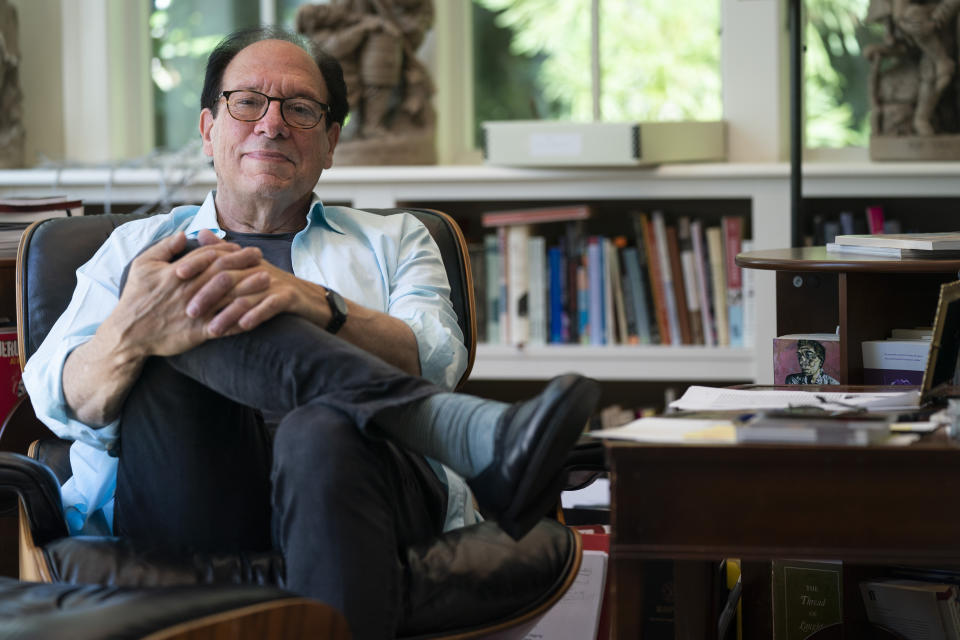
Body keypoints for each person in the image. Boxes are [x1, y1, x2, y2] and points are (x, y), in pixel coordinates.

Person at [22, 26, 600, 640]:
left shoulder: (397, 239)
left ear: (330, 142)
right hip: (186, 483)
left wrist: (316, 304)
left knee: (319, 426)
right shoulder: (135, 250)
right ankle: (466, 433)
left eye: (299, 109)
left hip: (359, 477)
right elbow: (60, 401)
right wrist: (136, 332)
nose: (271, 125)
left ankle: (446, 430)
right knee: (185, 285)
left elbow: (435, 361)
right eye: (247, 102)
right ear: (208, 129)